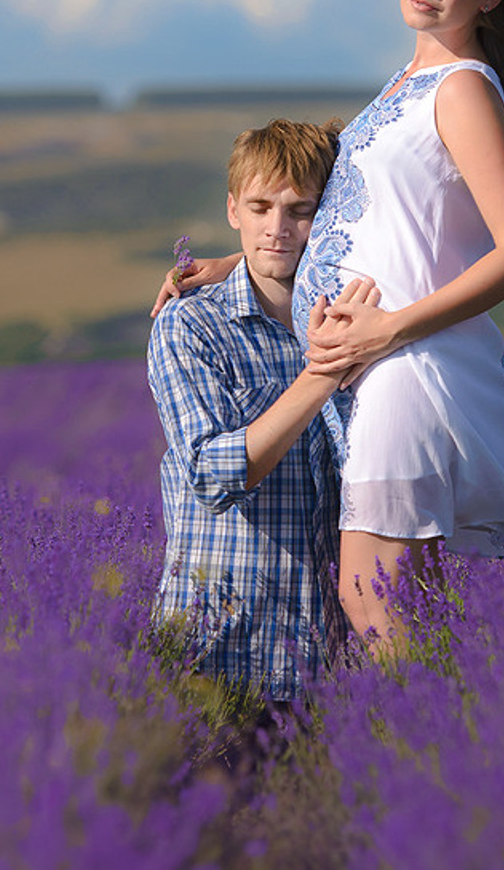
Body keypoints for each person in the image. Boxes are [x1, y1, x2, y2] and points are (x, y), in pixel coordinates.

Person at [156, 0, 504, 658]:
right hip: (373, 373)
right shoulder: (406, 82)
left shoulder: (461, 87)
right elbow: (367, 219)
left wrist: (387, 330)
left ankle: (429, 728)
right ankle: (452, 724)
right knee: (398, 606)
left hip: (402, 372)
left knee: (372, 600)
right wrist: (237, 261)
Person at [148, 118, 368, 704]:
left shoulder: (356, 323)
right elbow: (210, 473)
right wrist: (321, 374)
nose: (277, 228)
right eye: (260, 207)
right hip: (218, 658)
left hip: (327, 664)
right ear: (232, 210)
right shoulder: (191, 325)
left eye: (300, 211)